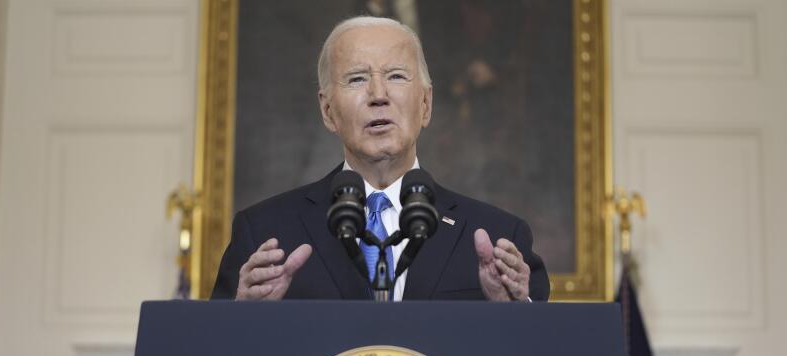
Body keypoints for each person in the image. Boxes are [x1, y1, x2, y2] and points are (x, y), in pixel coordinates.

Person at [211, 16, 550, 302]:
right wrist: (243, 316)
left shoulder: (499, 237)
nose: (378, 95)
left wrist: (516, 314)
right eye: (357, 78)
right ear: (328, 112)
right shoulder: (266, 235)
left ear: (426, 105)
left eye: (396, 76)